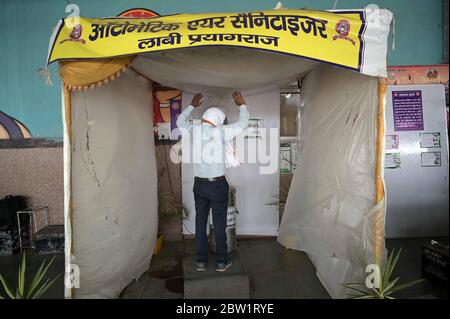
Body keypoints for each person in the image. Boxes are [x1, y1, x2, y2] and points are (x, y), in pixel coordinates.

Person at [176, 91, 249, 272]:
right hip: (217, 185)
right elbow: (243, 123)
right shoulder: (222, 132)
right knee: (219, 224)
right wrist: (242, 104)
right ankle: (222, 262)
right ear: (218, 119)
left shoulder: (194, 130)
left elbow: (178, 123)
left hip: (199, 185)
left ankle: (201, 261)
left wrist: (192, 106)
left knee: (200, 223)